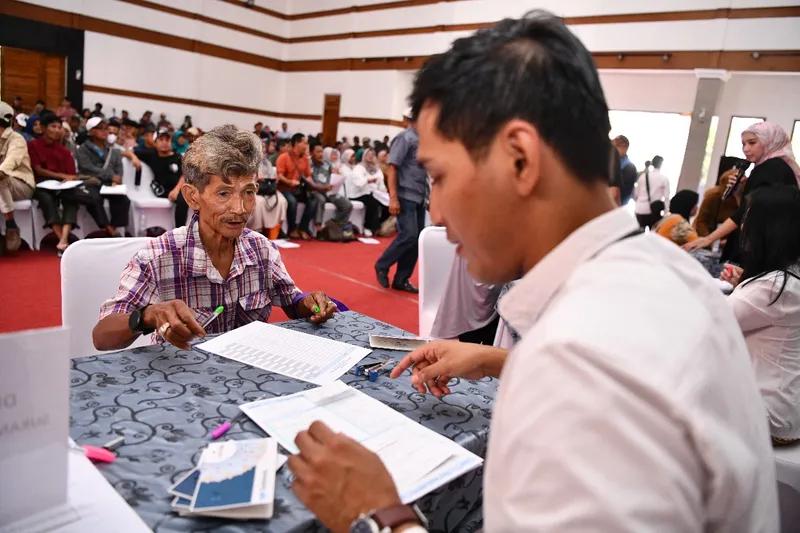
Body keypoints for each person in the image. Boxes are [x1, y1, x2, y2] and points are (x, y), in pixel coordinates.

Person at [286, 12, 777, 533]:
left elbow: (590, 380)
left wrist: (380, 514)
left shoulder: (575, 358)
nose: (436, 213)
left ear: (520, 158)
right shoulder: (663, 272)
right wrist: (504, 361)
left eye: (440, 176)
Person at [92, 125, 337, 352]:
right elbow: (101, 337)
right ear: (192, 197)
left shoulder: (261, 249)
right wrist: (147, 315)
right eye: (224, 193)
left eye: (249, 192)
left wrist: (312, 303)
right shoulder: (158, 256)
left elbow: (291, 300)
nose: (240, 208)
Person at [722, 186, 800, 446]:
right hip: (788, 411)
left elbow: (711, 323)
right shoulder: (788, 278)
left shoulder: (773, 287)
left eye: (747, 218)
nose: (743, 226)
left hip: (767, 416)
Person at [684, 122, 800, 259]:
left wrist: (708, 239)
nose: (746, 149)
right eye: (743, 144)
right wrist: (739, 193)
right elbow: (752, 210)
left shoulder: (770, 169)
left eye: (752, 143)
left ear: (769, 141)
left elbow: (747, 210)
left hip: (761, 247)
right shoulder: (779, 167)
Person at [374, 107, 428, 294]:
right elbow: (392, 168)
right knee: (409, 235)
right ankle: (382, 264)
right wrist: (393, 198)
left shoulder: (423, 140)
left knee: (417, 239)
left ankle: (402, 278)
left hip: (419, 196)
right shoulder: (405, 138)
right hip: (405, 194)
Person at [28, 113, 90, 252]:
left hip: (62, 185)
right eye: (53, 126)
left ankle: (63, 239)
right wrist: (61, 175)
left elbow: (71, 175)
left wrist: (68, 179)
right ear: (43, 128)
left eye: (59, 127)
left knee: (71, 197)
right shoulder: (33, 146)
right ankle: (61, 237)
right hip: (42, 184)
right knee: (45, 198)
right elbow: (38, 170)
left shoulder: (64, 151)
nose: (57, 130)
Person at [76, 117, 131, 235]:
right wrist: (111, 176)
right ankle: (109, 230)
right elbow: (87, 167)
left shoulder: (113, 150)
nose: (104, 131)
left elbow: (118, 167)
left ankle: (114, 227)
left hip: (109, 183)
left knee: (123, 200)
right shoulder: (82, 149)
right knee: (94, 199)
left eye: (106, 129)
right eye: (100, 128)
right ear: (90, 131)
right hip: (93, 181)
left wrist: (117, 180)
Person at [134, 129, 189, 227]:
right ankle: (179, 232)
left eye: (167, 140)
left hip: (179, 188)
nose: (164, 143)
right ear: (155, 143)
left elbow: (184, 174)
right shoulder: (151, 155)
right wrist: (133, 158)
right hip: (163, 190)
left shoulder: (178, 157)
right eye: (161, 140)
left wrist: (176, 190)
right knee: (182, 200)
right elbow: (126, 151)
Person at [0, 101, 35, 252]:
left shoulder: (16, 138)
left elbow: (11, 161)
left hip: (22, 185)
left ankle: (10, 224)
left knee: (1, 178)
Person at [276, 133, 317, 240]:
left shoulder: (305, 159)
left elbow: (308, 176)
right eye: (305, 143)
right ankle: (292, 229)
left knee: (313, 201)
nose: (307, 145)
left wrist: (311, 183)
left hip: (299, 189)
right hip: (285, 188)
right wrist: (290, 182)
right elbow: (280, 175)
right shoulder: (283, 157)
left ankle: (303, 228)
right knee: (292, 201)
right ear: (297, 143)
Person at [693, 157, 743, 238]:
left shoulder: (740, 199)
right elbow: (701, 221)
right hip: (706, 236)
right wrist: (709, 240)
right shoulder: (712, 196)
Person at [309, 144, 352, 232]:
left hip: (329, 191)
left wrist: (337, 176)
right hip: (315, 191)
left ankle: (334, 226)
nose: (321, 154)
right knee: (321, 200)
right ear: (311, 153)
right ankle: (318, 226)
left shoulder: (327, 163)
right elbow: (310, 183)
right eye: (318, 152)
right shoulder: (308, 164)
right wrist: (322, 187)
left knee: (347, 205)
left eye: (322, 152)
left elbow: (334, 175)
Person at [248, 145, 287, 240]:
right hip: (254, 190)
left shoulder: (268, 162)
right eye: (261, 146)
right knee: (259, 203)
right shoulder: (248, 162)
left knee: (282, 201)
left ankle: (276, 228)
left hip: (268, 189)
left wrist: (273, 180)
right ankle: (257, 230)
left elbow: (272, 176)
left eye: (265, 147)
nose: (263, 149)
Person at [349, 148, 387, 237]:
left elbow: (381, 183)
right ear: (364, 156)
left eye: (372, 154)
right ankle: (368, 227)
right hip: (358, 193)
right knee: (372, 202)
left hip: (374, 193)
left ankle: (379, 225)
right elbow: (358, 183)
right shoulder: (359, 167)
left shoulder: (377, 169)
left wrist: (384, 193)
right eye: (368, 154)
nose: (370, 156)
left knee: (387, 204)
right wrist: (368, 181)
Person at [632, 155, 669, 229]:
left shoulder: (643, 176)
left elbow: (636, 194)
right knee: (651, 236)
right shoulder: (664, 179)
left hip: (640, 209)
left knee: (638, 234)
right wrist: (666, 212)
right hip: (653, 211)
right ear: (661, 164)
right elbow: (666, 197)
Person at [614, 135, 637, 205]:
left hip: (618, 207)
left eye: (618, 145)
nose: (615, 148)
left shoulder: (630, 168)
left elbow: (618, 192)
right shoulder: (612, 162)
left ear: (626, 147)